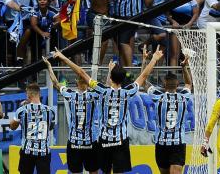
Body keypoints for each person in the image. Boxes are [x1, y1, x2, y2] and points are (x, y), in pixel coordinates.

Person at [53, 45, 163, 173]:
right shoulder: (128, 92)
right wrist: (153, 59)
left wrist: (63, 57)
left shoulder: (102, 90)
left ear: (110, 78)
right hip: (120, 141)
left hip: (104, 140)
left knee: (105, 171)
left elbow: (81, 73)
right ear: (122, 80)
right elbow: (143, 76)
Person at [42, 52, 100, 174]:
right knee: (94, 171)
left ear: (77, 83)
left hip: (74, 143)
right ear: (87, 84)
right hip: (91, 141)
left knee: (75, 172)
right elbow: (107, 88)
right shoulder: (94, 95)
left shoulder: (70, 95)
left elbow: (56, 83)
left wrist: (49, 67)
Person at [147, 55, 193, 174]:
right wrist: (184, 67)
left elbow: (144, 80)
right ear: (178, 84)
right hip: (177, 143)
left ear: (163, 84)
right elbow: (188, 83)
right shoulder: (184, 97)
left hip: (162, 143)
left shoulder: (157, 97)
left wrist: (146, 61)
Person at [8, 83, 56, 174]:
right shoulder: (51, 110)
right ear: (39, 94)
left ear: (28, 95)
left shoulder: (22, 110)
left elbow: (13, 127)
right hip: (44, 151)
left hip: (27, 151)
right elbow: (51, 127)